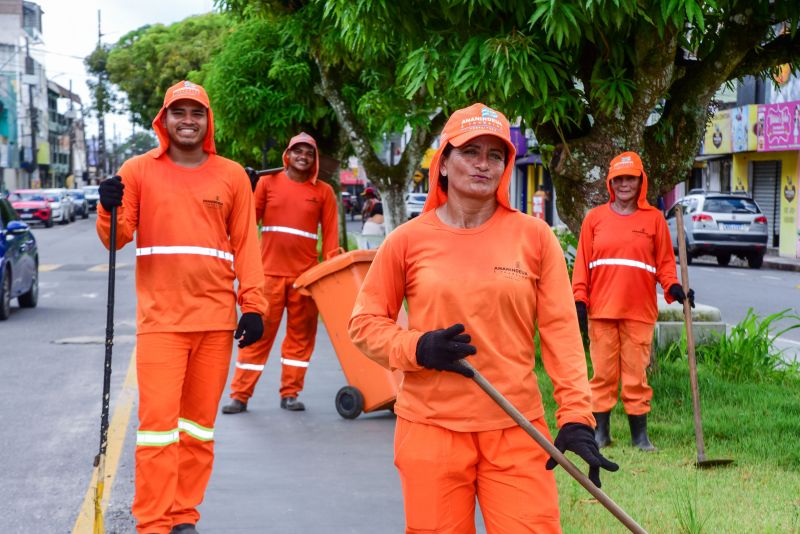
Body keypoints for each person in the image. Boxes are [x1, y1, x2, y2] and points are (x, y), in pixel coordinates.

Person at [348, 103, 617, 533]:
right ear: (443, 163)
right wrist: (418, 347)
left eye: (495, 154)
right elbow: (363, 325)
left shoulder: (535, 238)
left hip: (516, 427)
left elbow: (561, 333)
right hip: (430, 429)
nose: (483, 164)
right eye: (470, 151)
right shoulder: (407, 242)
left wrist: (575, 416)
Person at [96, 80, 267, 534]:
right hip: (161, 324)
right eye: (179, 112)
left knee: (198, 430)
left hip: (216, 322)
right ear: (163, 120)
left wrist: (254, 305)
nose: (187, 120)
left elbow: (247, 244)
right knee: (156, 431)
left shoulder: (231, 175)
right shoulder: (137, 171)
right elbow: (117, 238)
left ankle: (183, 515)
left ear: (208, 122)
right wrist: (107, 207)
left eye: (196, 113)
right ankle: (152, 522)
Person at [572, 151, 695, 452]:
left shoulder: (653, 219)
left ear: (641, 181)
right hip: (601, 311)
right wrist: (579, 300)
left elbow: (665, 264)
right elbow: (582, 264)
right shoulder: (594, 218)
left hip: (639, 312)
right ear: (610, 182)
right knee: (602, 374)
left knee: (636, 375)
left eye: (631, 178)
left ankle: (640, 437)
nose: (625, 184)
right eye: (619, 179)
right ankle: (601, 433)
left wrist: (675, 288)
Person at [222, 132, 339, 414]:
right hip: (268, 277)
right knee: (256, 336)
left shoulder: (323, 192)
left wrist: (332, 276)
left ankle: (290, 393)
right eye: (298, 151)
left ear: (315, 159)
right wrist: (247, 188)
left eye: (309, 153)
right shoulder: (267, 183)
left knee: (300, 340)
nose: (303, 156)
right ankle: (240, 395)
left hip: (306, 280)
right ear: (287, 155)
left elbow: (332, 240)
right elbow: (247, 223)